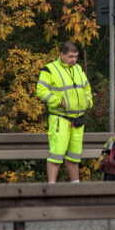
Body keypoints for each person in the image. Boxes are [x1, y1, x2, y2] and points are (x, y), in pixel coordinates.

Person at [36, 41, 93, 183]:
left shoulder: (78, 69)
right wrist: (60, 102)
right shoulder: (49, 69)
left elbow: (87, 88)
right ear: (61, 55)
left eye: (76, 56)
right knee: (56, 155)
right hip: (59, 119)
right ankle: (51, 189)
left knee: (74, 157)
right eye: (70, 56)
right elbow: (41, 91)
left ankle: (75, 188)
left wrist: (88, 101)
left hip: (77, 119)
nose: (73, 59)